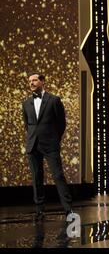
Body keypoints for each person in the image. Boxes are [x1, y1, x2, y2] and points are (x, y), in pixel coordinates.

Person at [22, 73, 73, 222]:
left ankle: (68, 209)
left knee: (58, 175)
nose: (31, 83)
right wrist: (33, 137)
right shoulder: (26, 103)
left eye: (35, 80)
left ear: (42, 82)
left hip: (50, 143)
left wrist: (54, 138)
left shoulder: (54, 100)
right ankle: (39, 210)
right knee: (36, 177)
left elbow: (61, 123)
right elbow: (27, 125)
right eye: (30, 81)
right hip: (33, 144)